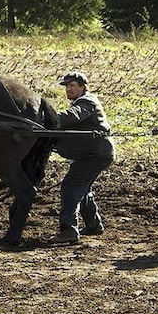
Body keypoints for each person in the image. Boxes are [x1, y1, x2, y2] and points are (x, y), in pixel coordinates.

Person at [47, 72, 115, 245]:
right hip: (95, 153)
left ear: (83, 87)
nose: (68, 89)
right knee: (82, 189)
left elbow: (73, 116)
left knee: (70, 186)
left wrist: (48, 120)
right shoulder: (84, 101)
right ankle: (94, 225)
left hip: (95, 154)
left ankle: (69, 230)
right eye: (66, 86)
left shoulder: (87, 102)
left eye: (72, 85)